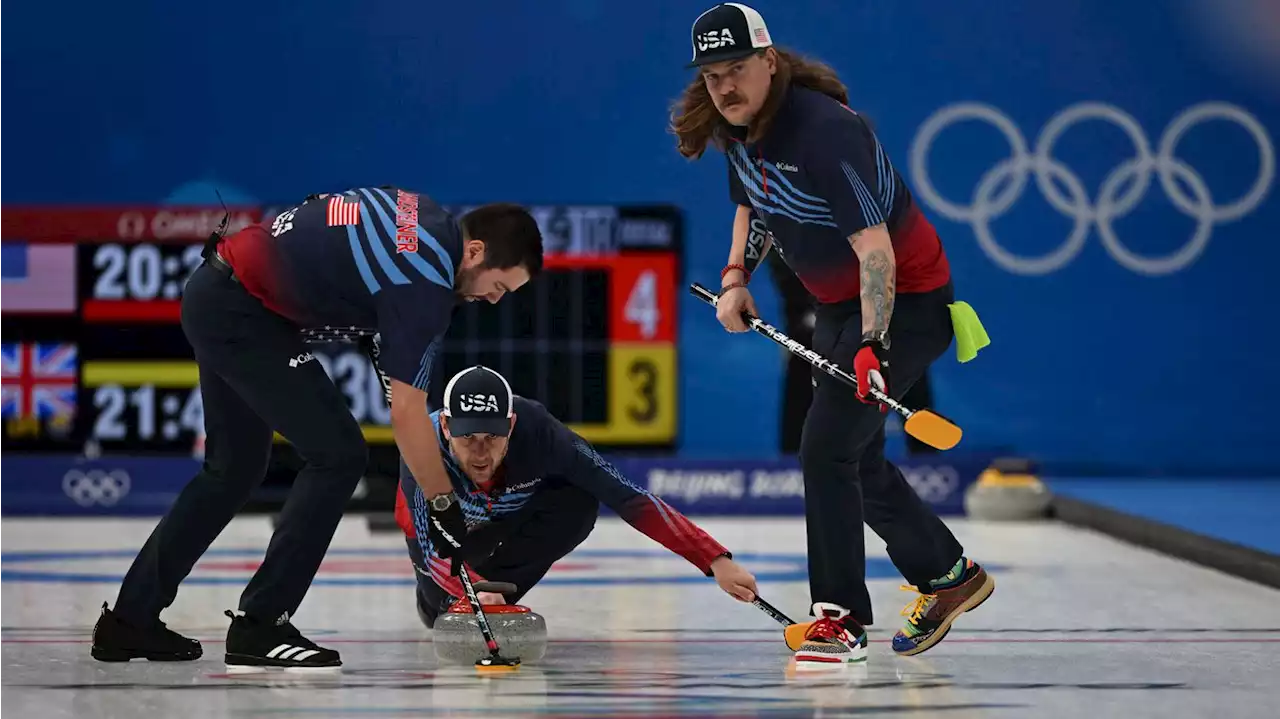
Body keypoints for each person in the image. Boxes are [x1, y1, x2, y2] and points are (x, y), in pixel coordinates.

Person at [91, 187, 543, 669]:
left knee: (234, 470)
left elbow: (373, 309)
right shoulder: (425, 281)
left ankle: (129, 622)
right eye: (499, 286)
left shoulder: (424, 217)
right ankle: (261, 624)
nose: (493, 301)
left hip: (217, 290)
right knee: (339, 454)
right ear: (474, 252)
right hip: (242, 312)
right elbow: (408, 411)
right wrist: (445, 505)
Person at [670, 4, 995, 666]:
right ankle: (947, 573)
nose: (724, 86)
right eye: (712, 76)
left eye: (737, 69)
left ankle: (839, 617)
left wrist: (873, 343)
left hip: (908, 302)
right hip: (841, 307)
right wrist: (736, 276)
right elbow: (750, 202)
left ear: (770, 63)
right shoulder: (738, 129)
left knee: (824, 449)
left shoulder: (824, 132)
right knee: (856, 453)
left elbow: (877, 251)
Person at [394, 365, 760, 626]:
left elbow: (629, 498)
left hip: (510, 515)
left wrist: (714, 559)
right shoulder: (420, 448)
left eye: (492, 438)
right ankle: (459, 598)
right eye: (467, 439)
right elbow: (432, 548)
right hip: (445, 530)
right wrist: (471, 590)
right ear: (445, 426)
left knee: (579, 504)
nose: (480, 454)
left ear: (512, 425)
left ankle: (496, 594)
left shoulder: (544, 434)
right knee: (437, 613)